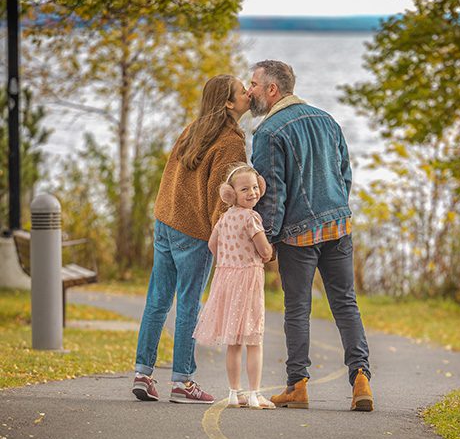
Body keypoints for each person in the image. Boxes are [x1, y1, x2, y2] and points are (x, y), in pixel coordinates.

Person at [249, 59, 373, 412]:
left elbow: (273, 193)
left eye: (254, 84)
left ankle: (297, 385)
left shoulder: (269, 132)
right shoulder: (327, 120)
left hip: (298, 235)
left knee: (297, 310)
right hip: (338, 225)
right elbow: (344, 173)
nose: (250, 90)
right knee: (345, 303)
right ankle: (361, 377)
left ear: (273, 89)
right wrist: (336, 208)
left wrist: (267, 240)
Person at [132, 75, 250, 404]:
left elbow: (171, 177)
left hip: (166, 222)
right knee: (188, 304)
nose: (247, 96)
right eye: (242, 92)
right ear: (228, 102)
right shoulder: (230, 142)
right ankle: (183, 381)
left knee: (157, 300)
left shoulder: (193, 129)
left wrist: (165, 213)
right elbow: (221, 197)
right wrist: (224, 239)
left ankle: (143, 373)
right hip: (194, 231)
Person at [193, 163, 275, 409]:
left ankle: (233, 393)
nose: (252, 193)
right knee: (253, 339)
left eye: (254, 187)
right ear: (230, 194)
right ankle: (254, 394)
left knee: (234, 341)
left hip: (226, 280)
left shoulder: (224, 218)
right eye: (244, 189)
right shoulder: (251, 217)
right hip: (248, 279)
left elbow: (211, 245)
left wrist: (227, 259)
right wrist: (269, 253)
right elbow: (264, 249)